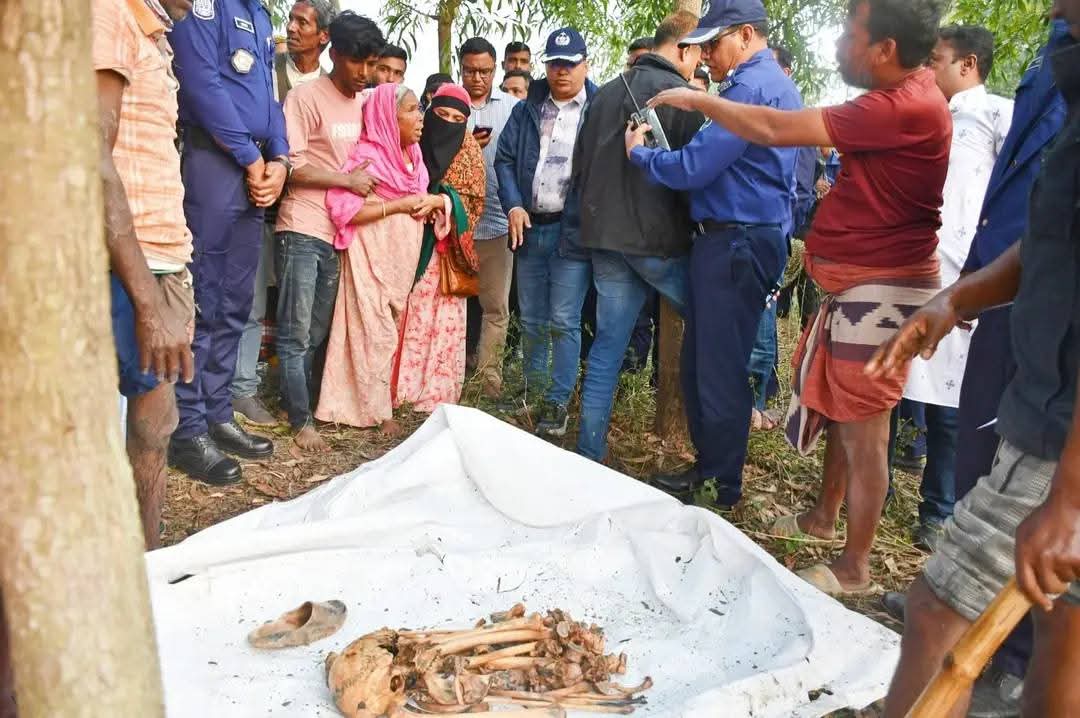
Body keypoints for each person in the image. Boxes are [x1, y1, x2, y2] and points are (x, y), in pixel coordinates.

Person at [649, 0, 951, 593]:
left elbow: (771, 128)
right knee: (843, 412)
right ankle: (823, 516)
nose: (838, 45)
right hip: (859, 283)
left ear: (885, 48)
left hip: (881, 285)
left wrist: (698, 100)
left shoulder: (901, 106)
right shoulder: (902, 96)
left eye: (849, 33)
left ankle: (855, 566)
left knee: (866, 431)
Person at [870, 2, 1080, 711]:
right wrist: (958, 300)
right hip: (1052, 418)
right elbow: (1053, 235)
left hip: (1061, 439)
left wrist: (1070, 497)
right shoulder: (1062, 75)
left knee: (938, 609)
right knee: (1062, 635)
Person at [633, 0, 801, 508]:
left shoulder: (751, 89)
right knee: (706, 361)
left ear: (746, 35)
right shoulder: (763, 85)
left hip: (734, 240)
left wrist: (641, 155)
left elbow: (695, 167)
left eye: (713, 44)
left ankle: (720, 484)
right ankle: (710, 469)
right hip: (739, 238)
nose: (706, 56)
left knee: (717, 367)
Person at [894, 24, 1014, 552]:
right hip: (916, 269)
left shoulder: (997, 115)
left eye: (936, 60)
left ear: (968, 65)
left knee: (949, 397)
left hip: (961, 277)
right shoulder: (929, 116)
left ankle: (939, 510)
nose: (928, 69)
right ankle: (883, 480)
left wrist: (982, 269)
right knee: (901, 384)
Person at [168, 0, 291, 484]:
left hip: (254, 170)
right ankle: (187, 428)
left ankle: (217, 413)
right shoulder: (206, 6)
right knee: (203, 297)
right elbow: (201, 83)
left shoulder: (259, 13)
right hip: (214, 163)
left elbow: (270, 98)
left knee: (236, 301)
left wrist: (280, 159)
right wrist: (249, 156)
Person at [574, 11, 705, 463]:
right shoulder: (686, 99)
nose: (699, 63)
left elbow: (581, 164)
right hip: (659, 242)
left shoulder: (606, 93)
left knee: (607, 349)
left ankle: (588, 452)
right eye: (698, 53)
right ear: (683, 49)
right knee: (712, 327)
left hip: (606, 238)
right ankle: (711, 455)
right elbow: (695, 176)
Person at [94, 0, 196, 549]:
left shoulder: (153, 34)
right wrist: (148, 306)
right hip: (122, 260)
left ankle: (146, 561)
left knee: (156, 425)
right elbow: (93, 157)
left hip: (160, 253)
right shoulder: (107, 12)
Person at [273, 12, 383, 452]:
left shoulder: (366, 103)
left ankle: (300, 403)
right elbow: (292, 165)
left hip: (341, 232)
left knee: (319, 330)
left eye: (371, 63)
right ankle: (301, 420)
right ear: (334, 53)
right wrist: (346, 181)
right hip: (301, 226)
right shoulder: (304, 97)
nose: (364, 72)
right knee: (295, 331)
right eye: (357, 61)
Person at [316, 84, 443, 433]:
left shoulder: (414, 156)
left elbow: (417, 198)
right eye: (412, 110)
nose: (421, 118)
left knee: (385, 332)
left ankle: (356, 407)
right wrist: (399, 206)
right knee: (374, 334)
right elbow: (345, 210)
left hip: (399, 263)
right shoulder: (367, 158)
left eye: (420, 109)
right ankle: (378, 414)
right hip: (369, 257)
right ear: (388, 117)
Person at [233, 0, 334, 427]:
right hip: (256, 197)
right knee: (250, 300)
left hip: (306, 215)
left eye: (302, 22)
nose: (291, 28)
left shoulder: (332, 86)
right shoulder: (265, 69)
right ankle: (242, 389)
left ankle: (287, 389)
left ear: (324, 36)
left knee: (296, 313)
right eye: (290, 19)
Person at [495, 27, 598, 436]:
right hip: (530, 228)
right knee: (533, 319)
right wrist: (513, 204)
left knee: (563, 320)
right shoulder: (529, 107)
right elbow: (504, 158)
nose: (562, 71)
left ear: (585, 64)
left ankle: (557, 402)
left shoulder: (598, 109)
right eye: (555, 63)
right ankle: (532, 392)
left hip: (572, 232)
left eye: (570, 64)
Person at [396, 85, 487, 412]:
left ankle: (434, 393)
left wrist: (442, 201)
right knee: (405, 314)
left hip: (445, 254)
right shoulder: (410, 143)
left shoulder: (470, 152)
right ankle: (399, 389)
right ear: (429, 113)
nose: (448, 123)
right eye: (442, 115)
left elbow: (474, 204)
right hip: (406, 246)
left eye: (457, 119)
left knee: (440, 320)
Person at [459, 37, 519, 399]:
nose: (477, 78)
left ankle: (488, 380)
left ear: (495, 70)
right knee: (453, 304)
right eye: (470, 71)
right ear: (460, 68)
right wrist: (467, 146)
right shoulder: (447, 105)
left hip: (497, 220)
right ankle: (449, 374)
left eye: (484, 71)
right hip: (455, 223)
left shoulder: (512, 108)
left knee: (495, 306)